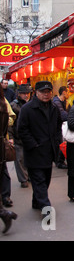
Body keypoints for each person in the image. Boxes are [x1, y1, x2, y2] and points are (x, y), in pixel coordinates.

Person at [18, 81, 62, 211]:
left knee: (46, 179)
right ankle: (46, 208)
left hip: (49, 151)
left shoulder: (54, 108)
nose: (46, 94)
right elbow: (22, 130)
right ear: (36, 93)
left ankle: (36, 201)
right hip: (34, 152)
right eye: (43, 92)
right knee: (39, 180)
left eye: (48, 91)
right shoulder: (27, 109)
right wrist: (33, 144)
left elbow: (58, 125)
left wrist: (57, 140)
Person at [0, 85, 17, 234]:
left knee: (4, 173)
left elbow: (11, 119)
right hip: (1, 144)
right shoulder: (3, 103)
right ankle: (4, 212)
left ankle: (4, 211)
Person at [9, 84, 32, 188]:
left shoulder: (32, 104)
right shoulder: (14, 105)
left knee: (29, 157)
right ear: (19, 94)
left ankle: (29, 176)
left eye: (28, 93)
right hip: (18, 136)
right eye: (24, 93)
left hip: (30, 136)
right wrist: (10, 137)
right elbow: (10, 124)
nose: (26, 95)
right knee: (19, 159)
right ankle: (23, 179)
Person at [52, 86, 69, 169]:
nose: (69, 94)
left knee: (62, 142)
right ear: (64, 92)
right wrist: (72, 117)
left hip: (61, 125)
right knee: (60, 142)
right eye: (68, 92)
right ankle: (59, 161)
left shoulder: (64, 101)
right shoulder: (56, 102)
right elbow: (62, 114)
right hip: (57, 126)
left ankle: (60, 160)